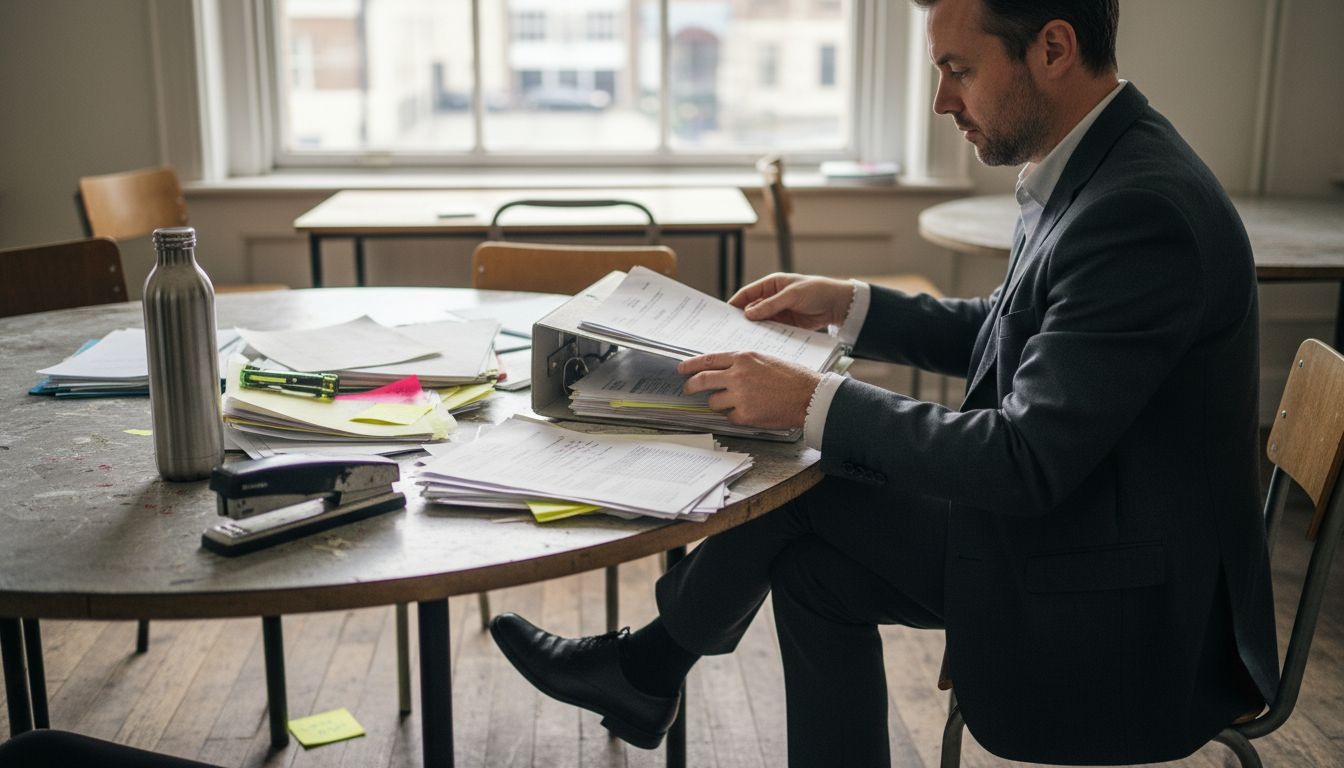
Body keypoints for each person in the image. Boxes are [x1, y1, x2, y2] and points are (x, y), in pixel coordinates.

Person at [490, 0, 1279, 764]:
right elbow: (1022, 334)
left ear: (1053, 48)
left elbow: (1025, 460)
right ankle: (645, 671)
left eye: (958, 70)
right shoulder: (1102, 163)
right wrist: (851, 306)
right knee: (812, 568)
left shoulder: (1139, 210)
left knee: (816, 468)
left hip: (1126, 605)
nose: (942, 100)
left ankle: (646, 670)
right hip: (1088, 525)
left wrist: (808, 402)